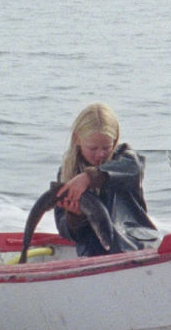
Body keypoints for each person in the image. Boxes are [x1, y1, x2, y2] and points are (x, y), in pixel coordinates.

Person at [54, 102, 158, 256]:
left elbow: (134, 167)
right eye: (93, 148)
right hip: (96, 254)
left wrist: (91, 176)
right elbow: (66, 232)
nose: (100, 154)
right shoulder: (67, 173)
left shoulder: (126, 160)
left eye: (106, 147)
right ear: (77, 139)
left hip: (138, 246)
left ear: (115, 141)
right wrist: (74, 217)